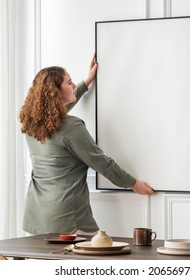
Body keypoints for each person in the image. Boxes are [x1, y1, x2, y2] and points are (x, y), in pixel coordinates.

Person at [19, 54, 154, 235]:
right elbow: (101, 162)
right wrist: (133, 183)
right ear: (56, 93)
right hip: (67, 219)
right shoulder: (71, 127)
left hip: (36, 217)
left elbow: (57, 118)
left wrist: (87, 81)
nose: (74, 85)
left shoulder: (32, 125)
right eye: (70, 83)